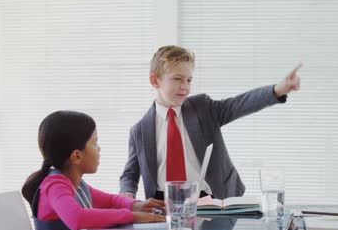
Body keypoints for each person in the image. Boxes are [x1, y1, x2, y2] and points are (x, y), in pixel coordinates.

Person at [119, 45, 302, 200]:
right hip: (163, 205)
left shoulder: (203, 108)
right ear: (154, 80)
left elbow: (238, 105)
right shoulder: (139, 131)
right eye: (177, 79)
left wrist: (278, 90)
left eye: (189, 80)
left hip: (213, 200)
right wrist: (127, 194)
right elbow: (130, 174)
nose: (185, 86)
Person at [21, 110, 165, 230]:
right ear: (77, 156)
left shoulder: (77, 185)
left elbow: (109, 201)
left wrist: (136, 205)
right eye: (95, 143)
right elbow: (77, 218)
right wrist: (133, 216)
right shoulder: (54, 185)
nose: (99, 149)